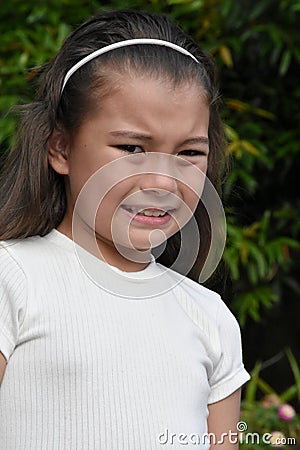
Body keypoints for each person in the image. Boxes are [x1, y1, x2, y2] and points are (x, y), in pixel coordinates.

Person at [0, 9, 250, 449]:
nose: (161, 182)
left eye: (189, 153)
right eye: (132, 147)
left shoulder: (210, 318)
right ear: (60, 147)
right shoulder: (14, 280)